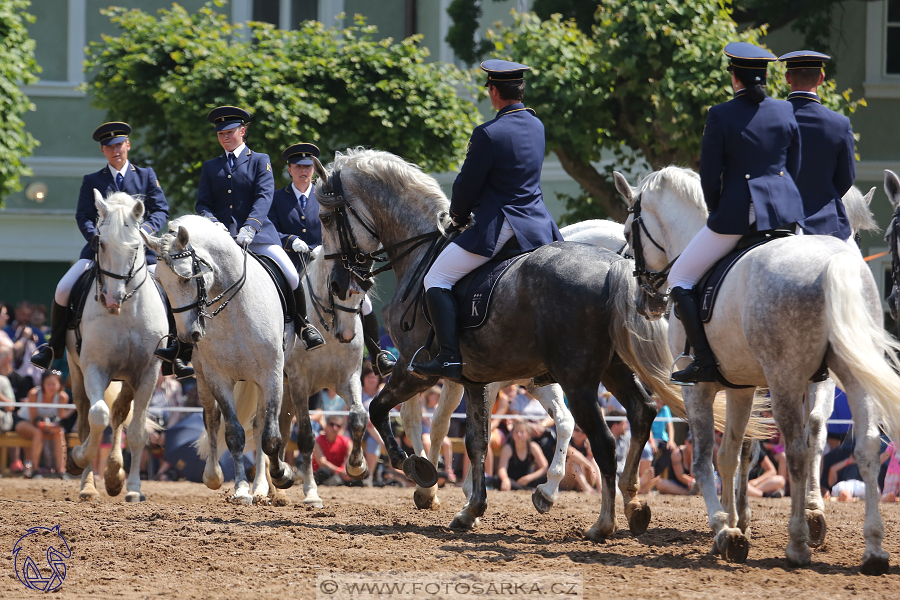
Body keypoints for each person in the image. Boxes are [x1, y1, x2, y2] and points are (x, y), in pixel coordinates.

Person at [411, 60, 562, 380]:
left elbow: (466, 185)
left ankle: (449, 356)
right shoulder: (537, 125)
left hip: (501, 225)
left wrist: (457, 215)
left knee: (435, 279)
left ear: (494, 91)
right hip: (537, 224)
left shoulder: (488, 133)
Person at [668, 43, 805, 383]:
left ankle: (703, 361)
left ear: (735, 77)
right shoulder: (787, 111)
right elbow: (795, 167)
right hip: (786, 214)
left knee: (680, 278)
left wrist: (718, 212)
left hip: (740, 214)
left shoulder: (720, 114)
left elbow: (710, 176)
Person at [156, 108, 318, 371]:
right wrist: (213, 222)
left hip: (257, 236)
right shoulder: (211, 166)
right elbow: (203, 203)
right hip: (220, 239)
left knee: (290, 274)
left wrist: (250, 228)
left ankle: (304, 326)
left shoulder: (260, 160)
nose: (225, 137)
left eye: (230, 132)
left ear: (242, 131)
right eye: (221, 134)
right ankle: (179, 343)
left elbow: (264, 197)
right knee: (185, 278)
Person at [29, 122, 187, 376]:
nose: (115, 151)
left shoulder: (145, 175)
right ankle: (54, 346)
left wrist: (144, 232)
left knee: (172, 289)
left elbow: (161, 210)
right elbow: (83, 216)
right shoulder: (93, 180)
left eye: (118, 145)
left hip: (140, 254)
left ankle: (175, 351)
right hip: (101, 253)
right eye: (108, 147)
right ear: (103, 151)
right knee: (63, 288)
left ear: (128, 145)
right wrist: (94, 239)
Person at [268, 142, 395, 373]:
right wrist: (290, 240)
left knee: (363, 300)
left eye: (308, 167)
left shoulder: (325, 196)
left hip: (329, 262)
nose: (303, 171)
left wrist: (325, 249)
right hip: (293, 262)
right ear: (289, 169)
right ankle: (276, 359)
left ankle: (377, 354)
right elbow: (269, 229)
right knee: (277, 303)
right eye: (298, 166)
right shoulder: (277, 198)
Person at [778, 51, 856, 248]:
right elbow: (846, 178)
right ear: (821, 78)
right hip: (826, 222)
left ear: (788, 78)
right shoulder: (840, 123)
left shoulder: (770, 119)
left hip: (778, 221)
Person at [14, 370, 73, 478]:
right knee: (37, 433)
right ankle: (35, 470)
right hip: (25, 422)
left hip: (46, 425)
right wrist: (45, 425)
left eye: (54, 384)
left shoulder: (62, 397)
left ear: (59, 385)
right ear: (42, 384)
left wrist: (53, 426)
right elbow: (33, 420)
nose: (51, 387)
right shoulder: (34, 394)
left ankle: (61, 471)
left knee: (59, 433)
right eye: (48, 384)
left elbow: (59, 420)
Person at [496, 419, 548, 491]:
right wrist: (505, 479)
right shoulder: (508, 448)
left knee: (546, 478)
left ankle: (525, 488)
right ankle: (527, 489)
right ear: (512, 435)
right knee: (497, 480)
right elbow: (502, 468)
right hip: (512, 480)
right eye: (516, 432)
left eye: (522, 432)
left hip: (529, 480)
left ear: (528, 435)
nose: (519, 434)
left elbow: (545, 467)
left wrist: (529, 478)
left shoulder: (533, 447)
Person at [312, 415, 352, 486]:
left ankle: (336, 480)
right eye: (331, 424)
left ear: (341, 428)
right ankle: (336, 481)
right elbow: (322, 463)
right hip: (326, 471)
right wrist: (339, 471)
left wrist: (346, 471)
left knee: (359, 474)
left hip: (341, 472)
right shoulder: (317, 441)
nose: (334, 428)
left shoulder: (347, 442)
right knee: (323, 472)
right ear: (326, 426)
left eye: (338, 426)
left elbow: (350, 460)